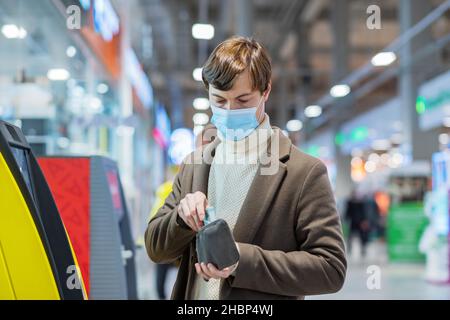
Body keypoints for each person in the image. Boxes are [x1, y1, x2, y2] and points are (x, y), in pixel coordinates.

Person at [145, 36, 346, 300]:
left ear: (266, 92)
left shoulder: (303, 173)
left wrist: (241, 260)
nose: (229, 111)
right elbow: (155, 249)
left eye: (242, 100)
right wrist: (181, 219)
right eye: (219, 101)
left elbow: (330, 269)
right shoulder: (195, 165)